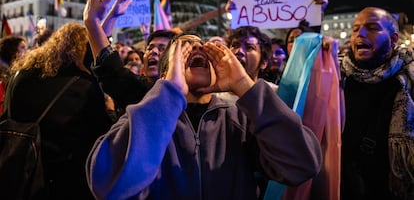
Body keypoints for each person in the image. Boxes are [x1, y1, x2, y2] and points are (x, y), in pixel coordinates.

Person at [84, 21, 322, 200]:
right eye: (184, 50)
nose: (196, 48)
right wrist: (169, 92)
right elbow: (106, 182)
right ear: (167, 72)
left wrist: (244, 86)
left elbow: (302, 164)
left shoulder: (240, 120)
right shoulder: (145, 118)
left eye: (203, 48)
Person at [2, 22, 113, 199]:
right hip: (59, 179)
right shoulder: (83, 86)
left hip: (16, 167)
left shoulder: (20, 74)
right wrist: (111, 110)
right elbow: (99, 134)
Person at [340, 7, 414, 199]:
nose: (360, 34)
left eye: (372, 28)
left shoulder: (408, 81)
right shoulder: (338, 79)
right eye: (355, 29)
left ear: (394, 39)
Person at [84, 0, 176, 118]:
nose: (154, 51)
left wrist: (93, 23)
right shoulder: (138, 84)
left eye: (162, 49)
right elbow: (103, 64)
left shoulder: (176, 93)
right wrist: (112, 17)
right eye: (150, 47)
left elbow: (113, 72)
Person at [0, 35, 27, 115]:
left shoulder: (14, 69)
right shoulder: (4, 71)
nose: (26, 51)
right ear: (12, 50)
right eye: (22, 47)